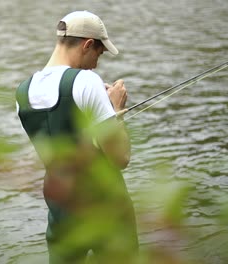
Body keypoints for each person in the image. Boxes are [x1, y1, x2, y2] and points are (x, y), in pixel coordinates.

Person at [15, 10, 138, 264]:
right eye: (99, 54)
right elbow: (121, 157)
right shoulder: (86, 81)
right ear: (88, 44)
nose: (97, 63)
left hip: (61, 209)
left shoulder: (23, 93)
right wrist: (115, 111)